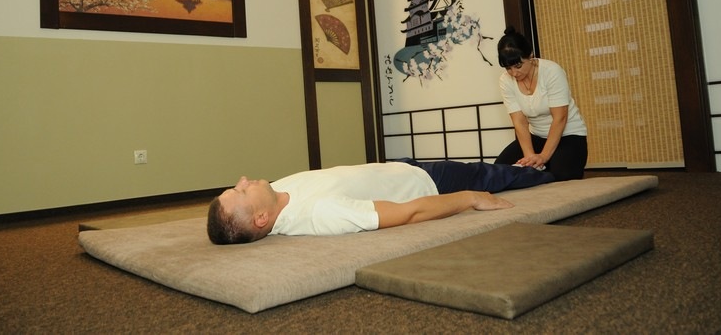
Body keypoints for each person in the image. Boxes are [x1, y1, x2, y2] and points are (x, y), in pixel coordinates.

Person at [206, 159, 555, 245]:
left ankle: (531, 165)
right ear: (262, 219)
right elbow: (407, 214)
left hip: (397, 167)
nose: (243, 180)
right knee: (495, 176)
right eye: (241, 191)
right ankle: (554, 173)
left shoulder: (275, 193)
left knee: (495, 169)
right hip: (427, 183)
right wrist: (469, 199)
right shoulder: (320, 213)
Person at [493, 26, 588, 181]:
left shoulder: (551, 71)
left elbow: (560, 118)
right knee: (499, 170)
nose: (514, 73)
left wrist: (543, 156)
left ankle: (551, 164)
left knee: (562, 178)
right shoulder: (505, 80)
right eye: (508, 68)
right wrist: (530, 157)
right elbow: (520, 122)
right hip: (536, 135)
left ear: (530, 55)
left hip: (568, 134)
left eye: (518, 65)